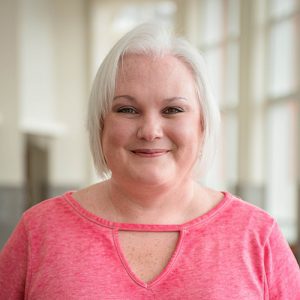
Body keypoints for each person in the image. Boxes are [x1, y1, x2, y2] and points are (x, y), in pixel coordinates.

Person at [0, 23, 299, 300]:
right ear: (100, 123)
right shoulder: (39, 232)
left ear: (203, 124)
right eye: (127, 110)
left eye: (172, 110)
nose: (150, 131)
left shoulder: (258, 237)